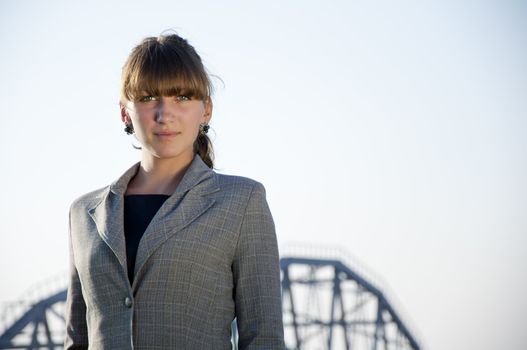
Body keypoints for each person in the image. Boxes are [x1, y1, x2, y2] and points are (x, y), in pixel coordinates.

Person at [64, 33, 284, 349]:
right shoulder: (83, 213)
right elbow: (77, 341)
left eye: (181, 97)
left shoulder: (242, 202)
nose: (164, 114)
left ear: (206, 109)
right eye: (148, 97)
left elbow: (264, 339)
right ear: (125, 112)